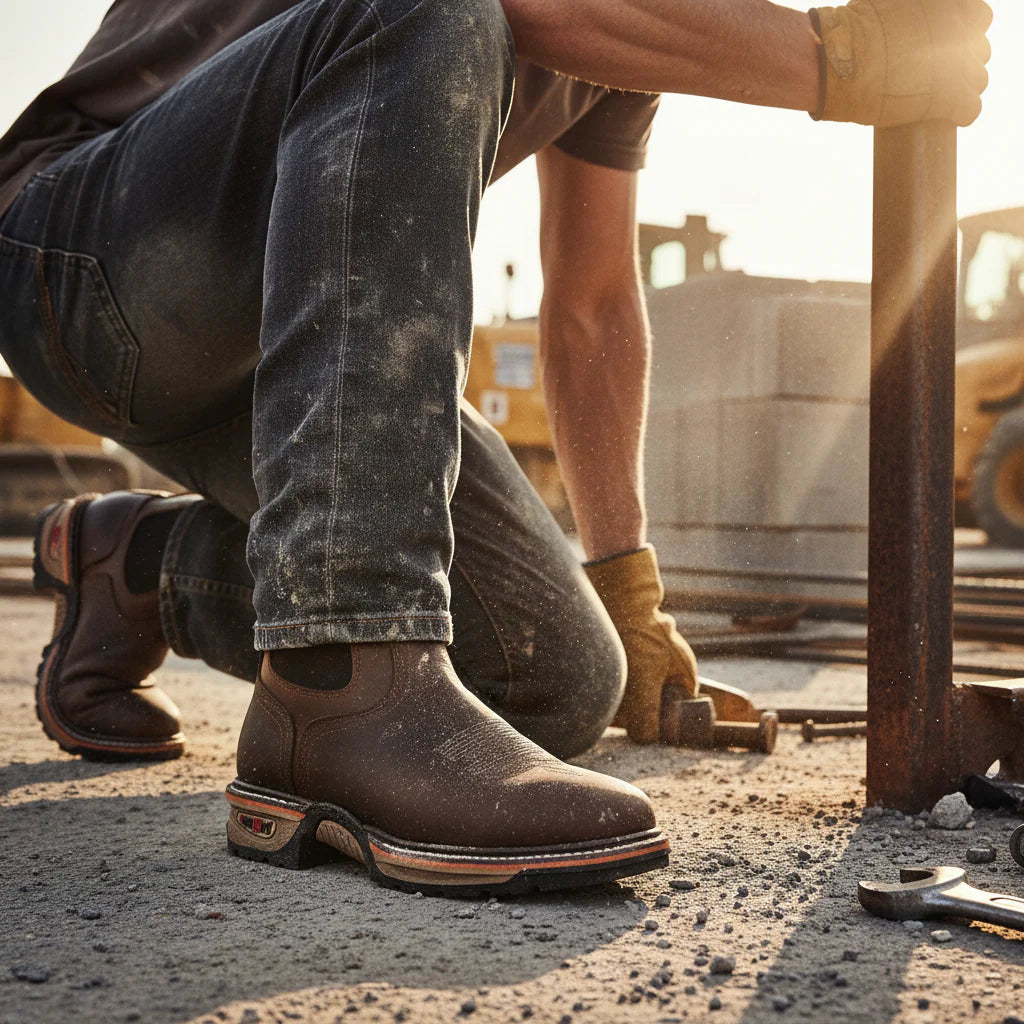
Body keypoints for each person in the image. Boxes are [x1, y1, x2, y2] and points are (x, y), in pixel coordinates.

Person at [0, 0, 991, 895]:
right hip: (83, 261)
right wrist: (841, 61)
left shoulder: (633, 39)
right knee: (426, 8)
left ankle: (137, 569)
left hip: (280, 344)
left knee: (553, 673)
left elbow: (594, 304)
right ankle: (343, 668)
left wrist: (625, 586)